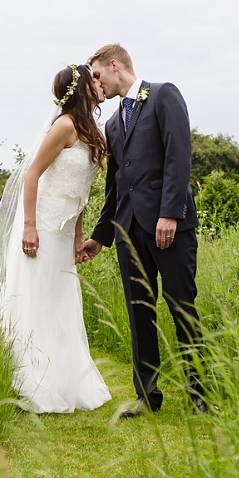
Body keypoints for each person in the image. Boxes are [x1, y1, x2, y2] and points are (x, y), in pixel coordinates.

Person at [80, 43, 211, 418]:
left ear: (114, 64)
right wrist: (101, 236)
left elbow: (178, 154)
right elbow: (116, 185)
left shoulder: (163, 95)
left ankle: (199, 394)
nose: (95, 84)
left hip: (170, 227)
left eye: (97, 75)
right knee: (140, 311)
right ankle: (146, 395)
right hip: (129, 231)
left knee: (181, 306)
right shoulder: (111, 123)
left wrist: (169, 213)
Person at [0, 64, 112, 414]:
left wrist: (78, 236)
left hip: (64, 230)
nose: (100, 84)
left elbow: (80, 190)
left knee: (61, 300)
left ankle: (65, 379)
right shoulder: (64, 126)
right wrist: (28, 226)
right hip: (40, 227)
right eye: (94, 79)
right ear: (83, 88)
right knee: (37, 298)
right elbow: (32, 175)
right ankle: (33, 381)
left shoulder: (91, 131)